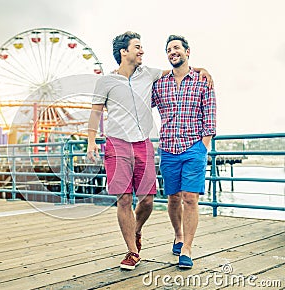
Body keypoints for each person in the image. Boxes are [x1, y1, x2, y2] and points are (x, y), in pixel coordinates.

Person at [87, 31, 212, 270]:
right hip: (116, 143)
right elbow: (95, 112)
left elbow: (179, 69)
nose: (142, 51)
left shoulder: (149, 74)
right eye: (137, 47)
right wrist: (91, 140)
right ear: (124, 52)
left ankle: (136, 230)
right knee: (123, 198)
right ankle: (132, 252)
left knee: (147, 200)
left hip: (143, 143)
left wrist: (202, 69)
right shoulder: (105, 81)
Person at [151, 35, 217, 269]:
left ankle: (187, 249)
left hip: (193, 148)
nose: (172, 52)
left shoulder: (202, 80)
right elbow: (138, 103)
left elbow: (210, 114)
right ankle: (178, 235)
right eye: (168, 50)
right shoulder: (159, 84)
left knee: (190, 199)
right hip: (168, 148)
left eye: (176, 48)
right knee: (173, 198)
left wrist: (203, 146)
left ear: (187, 51)